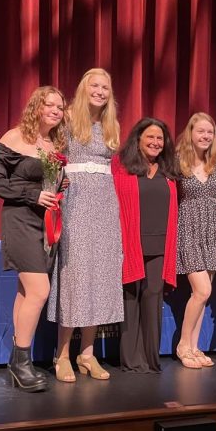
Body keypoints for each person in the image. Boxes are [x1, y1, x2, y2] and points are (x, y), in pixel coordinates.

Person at [0, 86, 68, 392]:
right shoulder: (16, 136)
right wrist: (32, 193)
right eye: (50, 104)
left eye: (60, 106)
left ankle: (17, 363)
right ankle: (21, 363)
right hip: (19, 219)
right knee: (39, 290)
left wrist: (59, 182)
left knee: (25, 291)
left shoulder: (53, 142)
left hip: (45, 223)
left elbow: (45, 179)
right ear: (36, 106)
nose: (56, 110)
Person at [48, 68, 123, 381]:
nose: (100, 91)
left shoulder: (110, 125)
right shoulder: (66, 119)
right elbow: (49, 158)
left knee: (101, 276)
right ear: (83, 88)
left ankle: (87, 354)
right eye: (95, 85)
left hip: (105, 204)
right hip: (75, 203)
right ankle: (61, 354)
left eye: (105, 87)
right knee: (76, 276)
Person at [112, 118, 179, 373]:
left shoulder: (168, 169)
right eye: (150, 137)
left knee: (153, 294)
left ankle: (151, 360)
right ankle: (131, 360)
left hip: (161, 243)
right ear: (138, 139)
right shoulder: (122, 166)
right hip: (130, 242)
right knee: (130, 297)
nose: (155, 142)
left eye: (160, 138)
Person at [174, 112, 216, 369]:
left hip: (212, 230)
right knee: (202, 290)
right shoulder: (178, 161)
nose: (205, 136)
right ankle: (183, 344)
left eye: (210, 132)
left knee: (203, 295)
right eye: (201, 131)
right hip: (188, 229)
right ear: (190, 133)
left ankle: (195, 347)